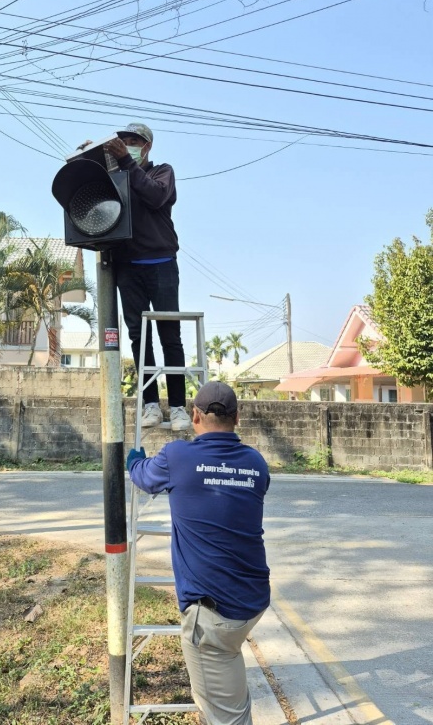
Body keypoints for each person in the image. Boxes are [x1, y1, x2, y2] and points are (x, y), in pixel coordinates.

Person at [127, 381, 270, 725]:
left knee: (227, 717)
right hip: (251, 600)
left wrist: (135, 459)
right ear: (237, 417)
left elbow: (143, 477)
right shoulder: (256, 463)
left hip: (213, 616)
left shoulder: (177, 456)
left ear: (194, 416)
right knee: (227, 673)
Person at [102, 122, 190, 431]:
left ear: (147, 146)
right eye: (124, 140)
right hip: (128, 266)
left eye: (134, 140)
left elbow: (155, 196)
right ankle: (150, 404)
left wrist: (126, 160)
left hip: (161, 263)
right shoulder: (117, 177)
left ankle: (177, 407)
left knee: (169, 334)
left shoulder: (161, 172)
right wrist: (91, 158)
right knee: (139, 337)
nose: (127, 143)